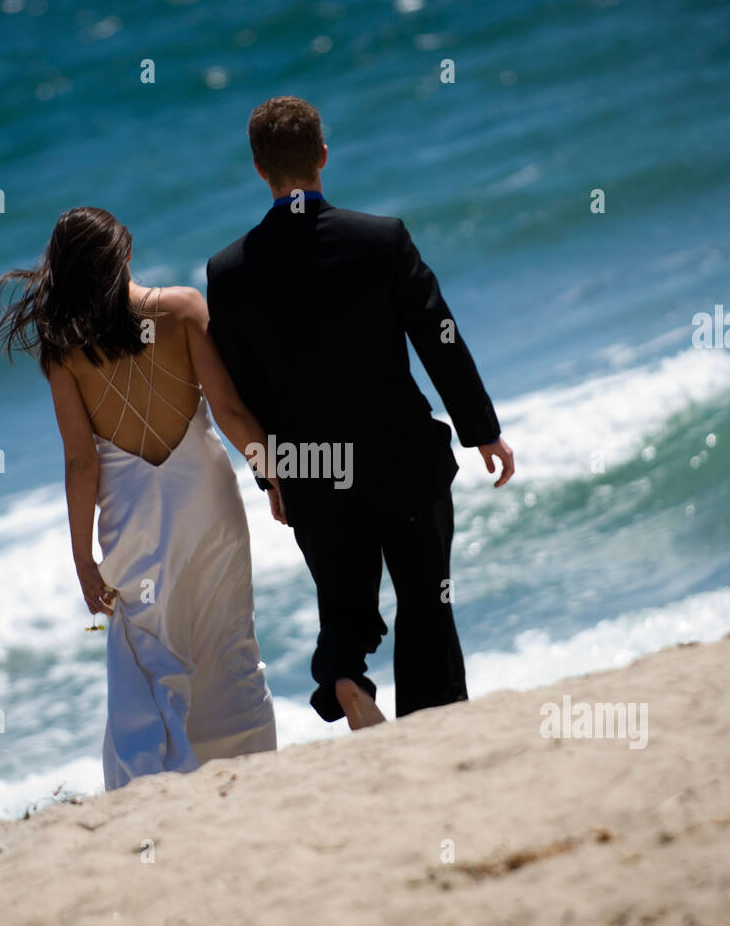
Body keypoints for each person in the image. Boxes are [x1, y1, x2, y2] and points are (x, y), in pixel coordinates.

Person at [207, 97, 514, 731]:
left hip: (313, 471)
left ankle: (345, 676)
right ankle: (431, 726)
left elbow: (242, 392)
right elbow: (440, 335)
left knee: (343, 603)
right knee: (426, 601)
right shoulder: (381, 239)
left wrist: (274, 474)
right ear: (323, 155)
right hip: (402, 456)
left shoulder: (230, 272)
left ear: (260, 169)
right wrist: (481, 430)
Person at [0, 206, 279, 787]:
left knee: (152, 648)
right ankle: (249, 768)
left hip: (132, 514)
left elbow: (80, 461)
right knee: (228, 635)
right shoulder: (182, 309)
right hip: (205, 495)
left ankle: (157, 778)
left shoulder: (63, 351)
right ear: (122, 255)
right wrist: (275, 477)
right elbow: (229, 412)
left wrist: (82, 559)